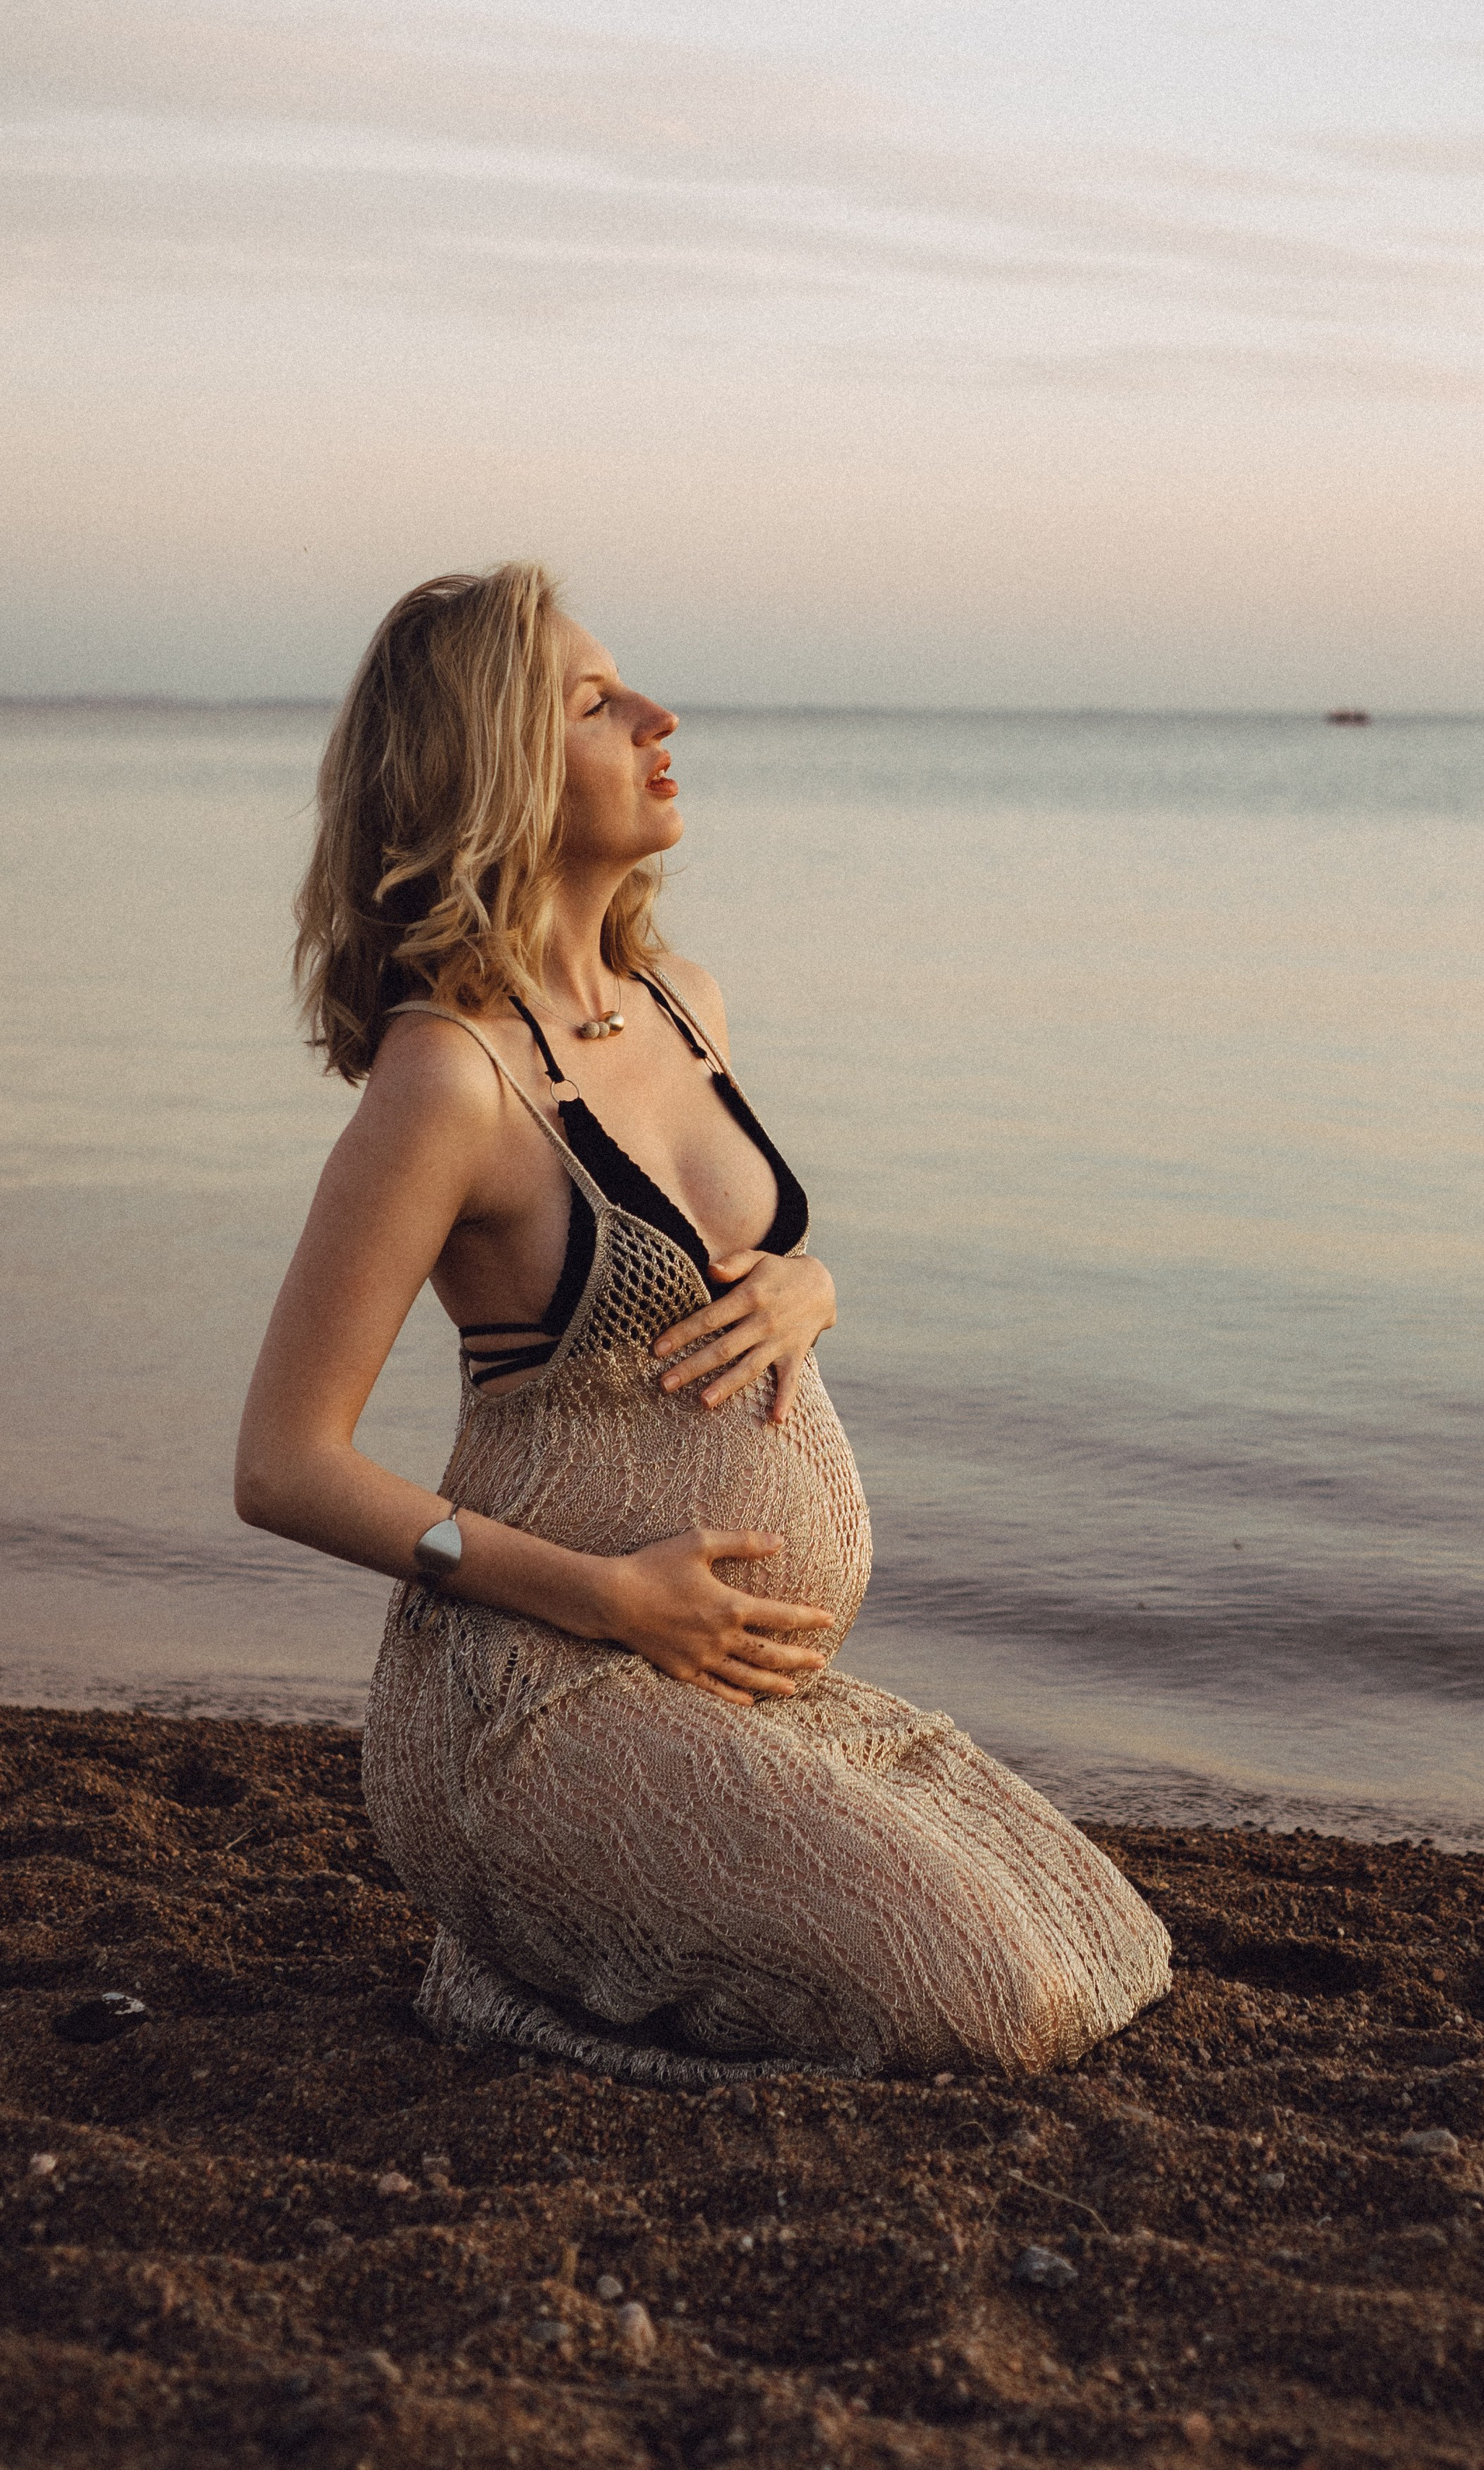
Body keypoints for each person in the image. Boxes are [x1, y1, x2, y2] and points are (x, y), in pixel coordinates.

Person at [235, 564, 1170, 2081]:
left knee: (1105, 1946)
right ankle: (503, 1985)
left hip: (714, 1686)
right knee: (985, 2011)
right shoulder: (449, 1078)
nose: (658, 717)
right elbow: (283, 1464)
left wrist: (815, 1282)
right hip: (531, 1698)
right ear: (491, 766)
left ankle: (591, 1936)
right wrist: (603, 1597)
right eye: (594, 703)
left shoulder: (680, 1002)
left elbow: (724, 1261)